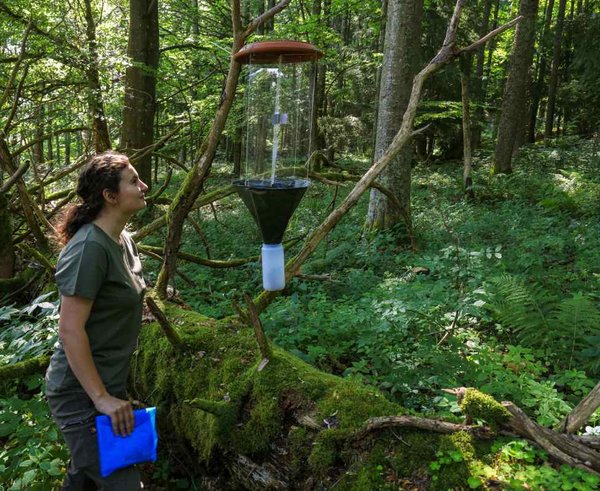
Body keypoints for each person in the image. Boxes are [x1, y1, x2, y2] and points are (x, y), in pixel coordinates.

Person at [45, 150, 148, 490]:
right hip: (80, 394)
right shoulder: (89, 248)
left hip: (107, 388)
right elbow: (70, 329)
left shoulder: (124, 241)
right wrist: (101, 397)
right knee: (124, 485)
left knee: (83, 481)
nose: (144, 186)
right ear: (110, 195)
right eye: (134, 181)